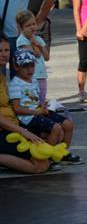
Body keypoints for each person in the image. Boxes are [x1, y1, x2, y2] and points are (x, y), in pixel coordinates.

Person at [8, 49, 82, 163]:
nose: (30, 69)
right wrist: (37, 112)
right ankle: (48, 157)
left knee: (68, 124)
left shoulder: (33, 79)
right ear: (16, 67)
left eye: (32, 65)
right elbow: (16, 108)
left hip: (38, 112)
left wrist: (43, 106)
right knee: (56, 128)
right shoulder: (15, 84)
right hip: (27, 118)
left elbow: (35, 99)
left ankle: (63, 153)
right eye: (25, 66)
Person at [0, 37, 51, 173]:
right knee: (41, 165)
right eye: (0, 51)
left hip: (12, 127)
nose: (4, 54)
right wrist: (23, 131)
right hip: (6, 130)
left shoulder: (2, 76)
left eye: (6, 50)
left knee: (45, 148)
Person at [15, 10, 48, 105]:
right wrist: (33, 42)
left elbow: (46, 57)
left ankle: (42, 116)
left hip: (41, 75)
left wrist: (40, 45)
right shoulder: (21, 41)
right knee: (33, 102)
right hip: (31, 76)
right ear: (21, 28)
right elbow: (35, 54)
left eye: (33, 24)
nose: (32, 27)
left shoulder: (38, 39)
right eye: (28, 26)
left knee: (42, 100)